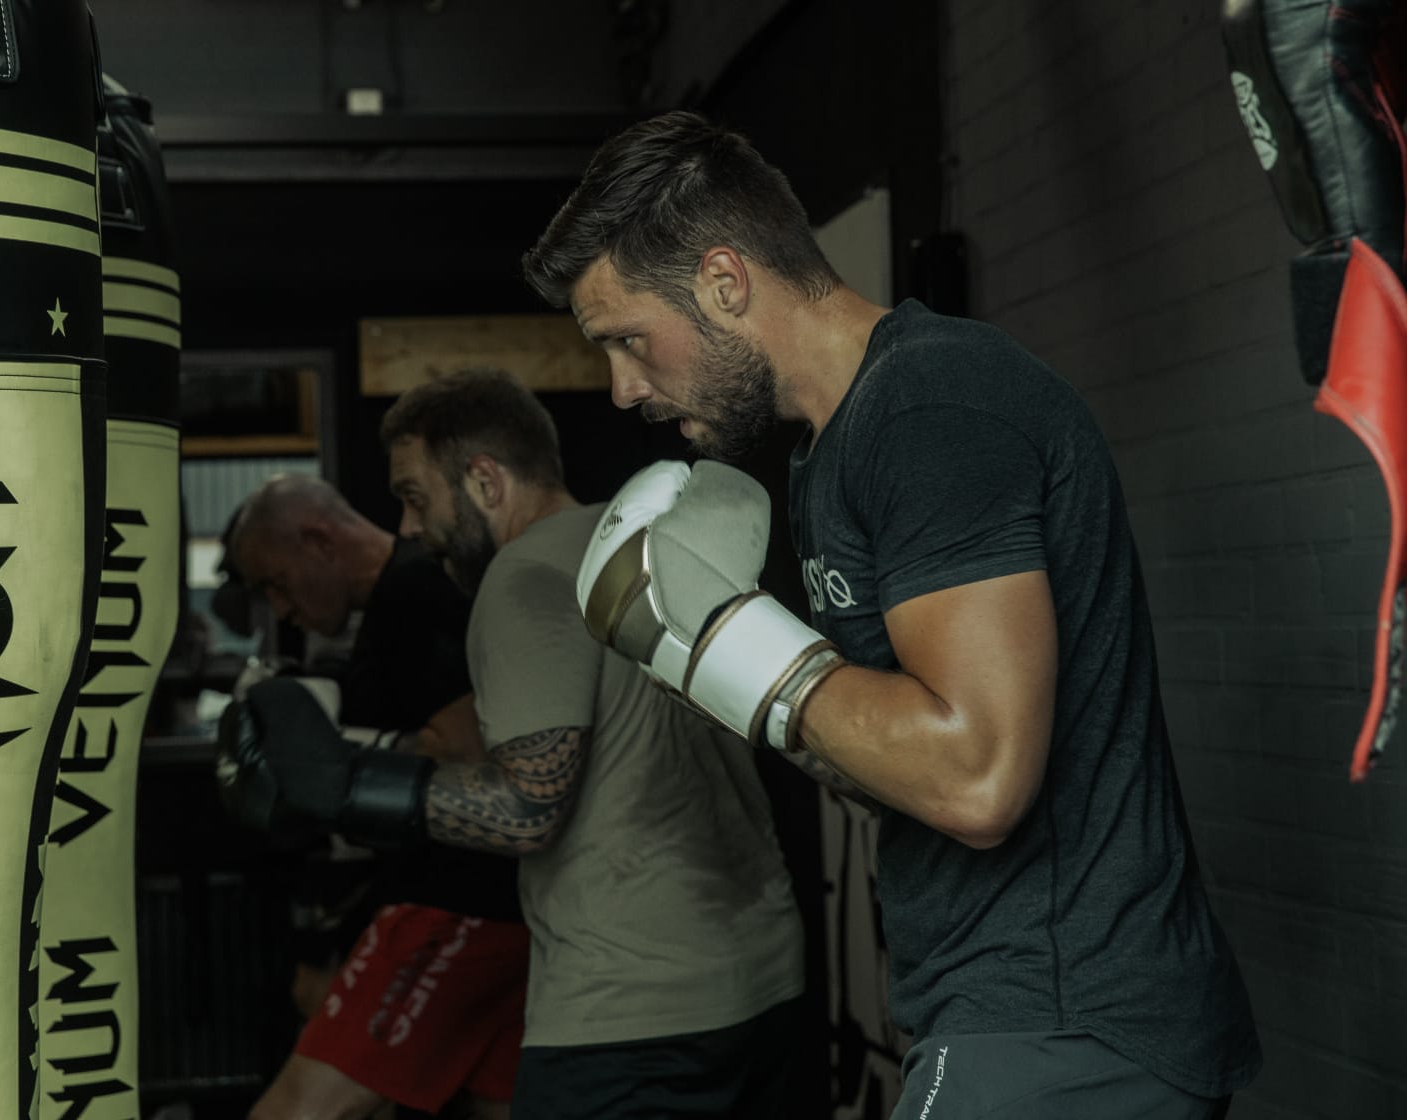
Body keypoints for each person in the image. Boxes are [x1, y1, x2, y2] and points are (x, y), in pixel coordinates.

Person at [519, 110, 1262, 1119]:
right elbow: (901, 773)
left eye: (626, 339)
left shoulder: (929, 408)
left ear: (725, 282)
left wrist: (747, 648)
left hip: (1063, 1008)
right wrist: (715, 672)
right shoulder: (828, 452)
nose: (620, 388)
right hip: (1003, 1003)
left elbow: (977, 775)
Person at [224, 369, 809, 1119]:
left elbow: (529, 808)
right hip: (762, 981)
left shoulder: (521, 578)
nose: (408, 530)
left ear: (486, 480)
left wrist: (344, 782)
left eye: (415, 497)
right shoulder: (641, 540)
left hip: (634, 1010)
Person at [224, 475, 528, 1120]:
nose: (279, 609)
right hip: (508, 908)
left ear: (317, 540)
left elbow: (474, 742)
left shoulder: (414, 591)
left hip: (458, 906)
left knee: (294, 1110)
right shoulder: (392, 609)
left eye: (276, 582)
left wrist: (332, 755)